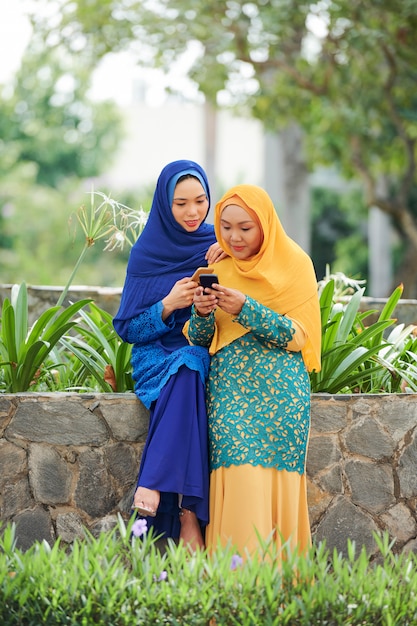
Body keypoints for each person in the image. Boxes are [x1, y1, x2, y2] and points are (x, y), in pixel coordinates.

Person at [187, 184, 321, 558]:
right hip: (230, 395)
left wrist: (247, 307)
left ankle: (277, 603)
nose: (234, 236)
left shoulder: (296, 264)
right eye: (226, 227)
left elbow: (298, 336)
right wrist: (201, 312)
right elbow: (200, 341)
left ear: (265, 223)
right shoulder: (219, 267)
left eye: (245, 227)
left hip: (282, 398)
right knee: (239, 484)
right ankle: (235, 598)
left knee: (274, 491)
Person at [113, 160, 224, 551]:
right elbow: (128, 329)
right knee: (188, 371)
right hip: (155, 354)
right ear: (164, 203)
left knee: (191, 363)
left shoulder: (217, 243)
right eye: (181, 203)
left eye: (200, 201)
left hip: (201, 345)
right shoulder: (146, 252)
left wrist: (219, 270)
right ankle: (190, 516)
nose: (193, 212)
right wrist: (166, 304)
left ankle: (153, 485)